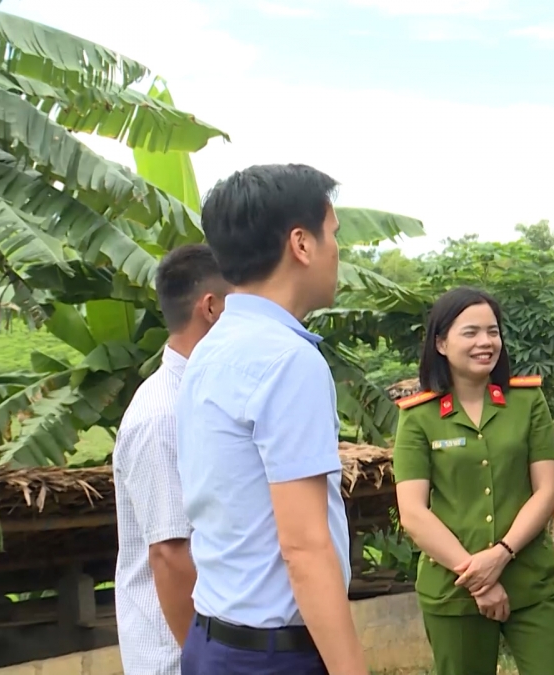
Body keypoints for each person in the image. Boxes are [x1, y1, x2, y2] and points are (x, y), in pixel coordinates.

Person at [175, 164, 366, 675]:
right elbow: (303, 547)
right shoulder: (288, 360)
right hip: (272, 655)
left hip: (213, 641)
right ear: (301, 244)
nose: (337, 252)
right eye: (333, 235)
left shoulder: (210, 350)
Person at [392, 287, 554, 675]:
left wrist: (501, 554)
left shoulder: (527, 402)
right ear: (441, 343)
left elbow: (547, 491)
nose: (485, 342)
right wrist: (477, 578)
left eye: (493, 331)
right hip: (454, 589)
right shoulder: (418, 415)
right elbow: (412, 512)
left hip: (531, 583)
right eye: (470, 332)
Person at [113, 244, 231, 675]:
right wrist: (205, 660)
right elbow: (171, 553)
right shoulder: (162, 415)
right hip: (179, 655)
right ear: (212, 308)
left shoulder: (202, 398)